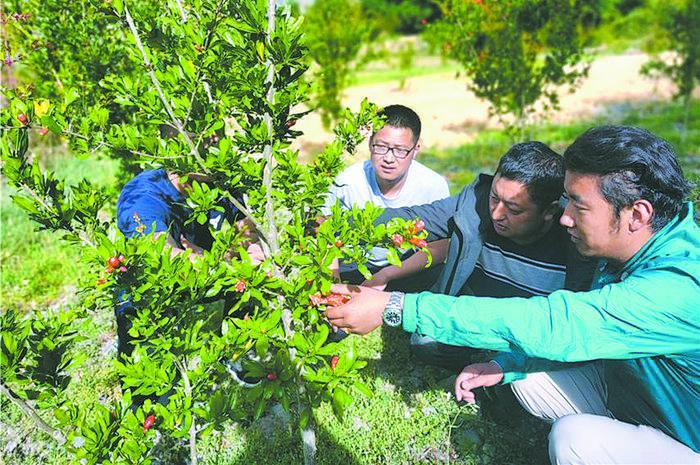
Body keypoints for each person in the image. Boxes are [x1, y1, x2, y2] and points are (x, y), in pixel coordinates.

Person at [326, 126, 700, 464]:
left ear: (637, 214)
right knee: (528, 380)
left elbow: (558, 323)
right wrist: (509, 364)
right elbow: (584, 338)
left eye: (578, 205)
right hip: (636, 394)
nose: (566, 217)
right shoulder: (628, 247)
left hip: (687, 438)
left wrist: (396, 307)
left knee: (575, 439)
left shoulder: (676, 289)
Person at [365, 141, 595, 371]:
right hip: (473, 323)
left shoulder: (577, 239)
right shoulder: (475, 204)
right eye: (495, 198)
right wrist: (339, 225)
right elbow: (414, 219)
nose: (496, 214)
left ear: (549, 211)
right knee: (426, 342)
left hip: (532, 336)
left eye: (514, 210)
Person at [324, 104, 450, 288]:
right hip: (356, 266)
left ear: (416, 149)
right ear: (369, 144)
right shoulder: (347, 181)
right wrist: (335, 287)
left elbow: (440, 247)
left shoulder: (433, 185)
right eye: (381, 147)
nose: (389, 158)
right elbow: (326, 236)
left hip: (407, 267)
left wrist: (385, 275)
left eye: (400, 150)